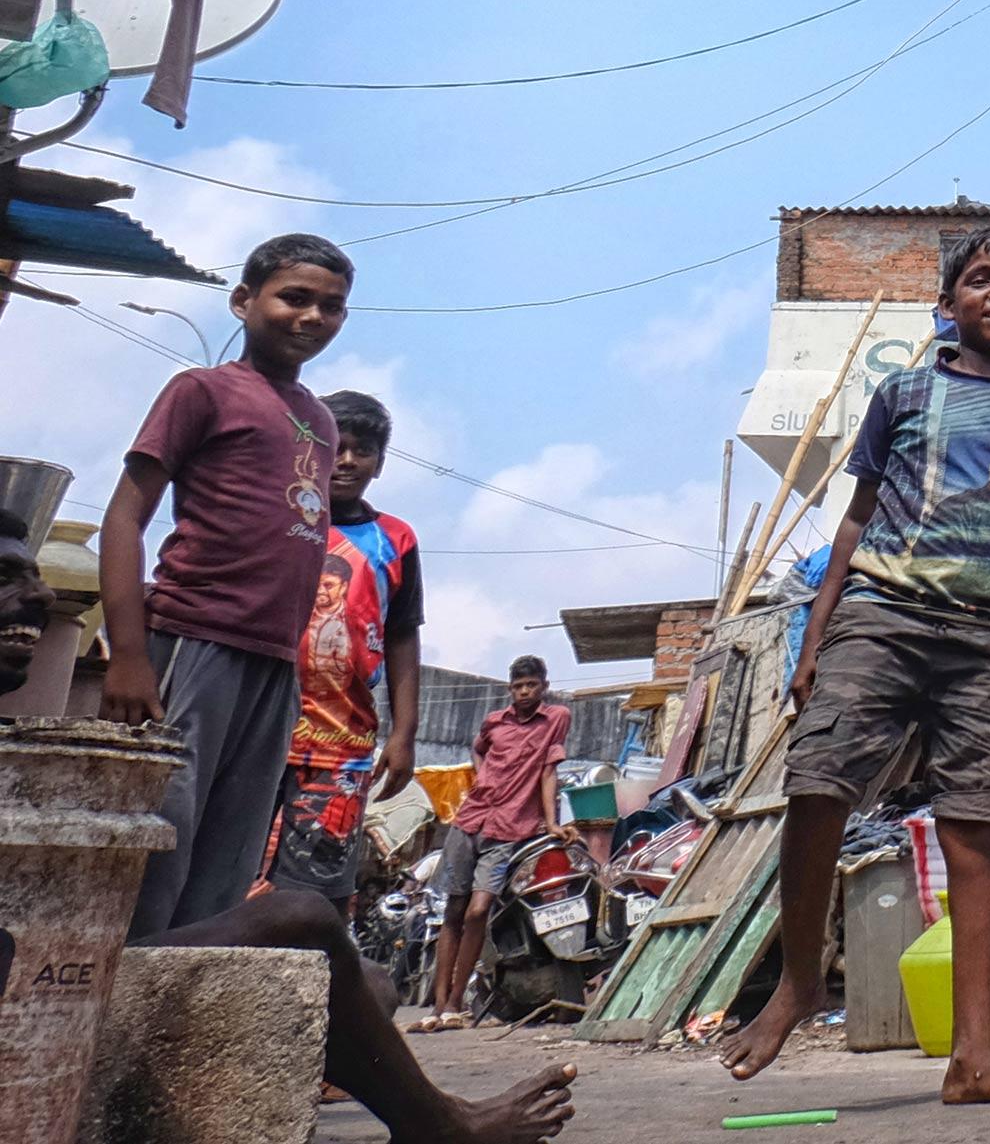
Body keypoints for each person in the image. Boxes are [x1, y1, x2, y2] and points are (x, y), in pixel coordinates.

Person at [0, 516, 577, 1143]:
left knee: (367, 986)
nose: (42, 597)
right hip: (39, 994)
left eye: (34, 577)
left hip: (62, 975)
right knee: (299, 922)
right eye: (8, 578)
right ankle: (437, 1124)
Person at [720, 224, 990, 1107]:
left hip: (986, 637)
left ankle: (973, 1054)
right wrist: (815, 641)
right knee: (817, 784)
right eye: (979, 278)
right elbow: (853, 524)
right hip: (880, 616)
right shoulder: (904, 392)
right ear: (948, 304)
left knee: (974, 827)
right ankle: (800, 983)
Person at [101, 232, 353, 937]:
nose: (312, 317)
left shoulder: (322, 419)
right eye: (294, 297)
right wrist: (127, 651)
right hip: (193, 638)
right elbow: (125, 515)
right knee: (160, 837)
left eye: (332, 306)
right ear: (245, 300)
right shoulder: (202, 390)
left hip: (275, 661)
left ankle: (174, 1012)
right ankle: (113, 999)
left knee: (231, 855)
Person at [267, 388, 425, 903]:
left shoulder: (394, 539)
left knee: (315, 893)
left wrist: (404, 733)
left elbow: (402, 635)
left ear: (380, 463)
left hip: (342, 744)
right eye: (337, 447)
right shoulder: (276, 518)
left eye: (364, 450)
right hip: (258, 732)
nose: (348, 461)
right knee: (231, 876)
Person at [419, 656, 572, 1031]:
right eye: (519, 687)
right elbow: (478, 748)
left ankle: (457, 1000)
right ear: (510, 689)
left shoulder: (556, 718)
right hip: (470, 820)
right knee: (452, 911)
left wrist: (551, 821)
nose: (525, 693)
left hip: (511, 826)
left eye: (532, 686)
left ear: (544, 686)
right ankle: (440, 1007)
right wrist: (483, 774)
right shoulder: (494, 722)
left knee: (477, 910)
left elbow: (549, 770)